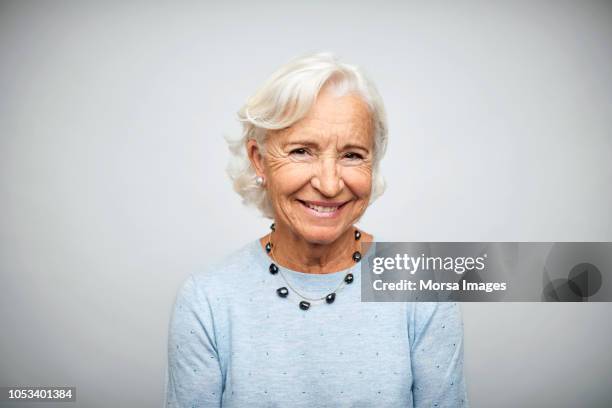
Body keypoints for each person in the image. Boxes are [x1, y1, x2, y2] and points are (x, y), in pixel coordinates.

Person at [165, 52, 468, 407]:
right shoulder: (207, 300)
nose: (328, 184)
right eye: (302, 151)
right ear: (259, 159)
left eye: (352, 155)